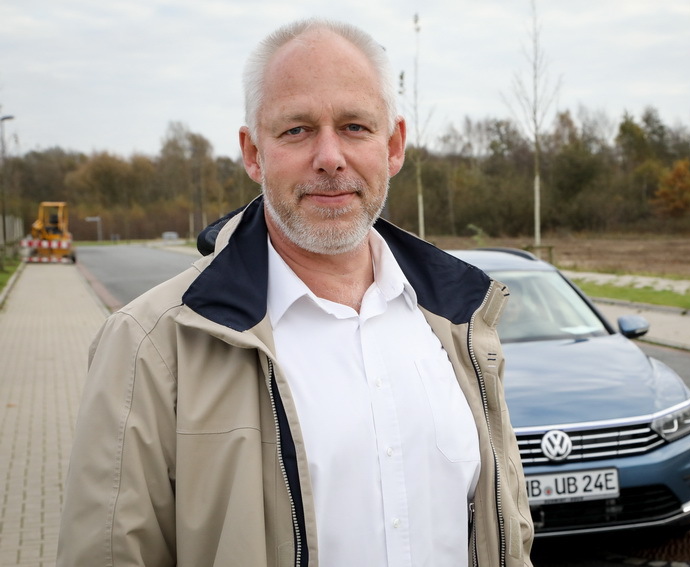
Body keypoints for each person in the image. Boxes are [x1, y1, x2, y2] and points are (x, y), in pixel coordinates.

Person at [57, 17, 534, 567]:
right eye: (297, 130)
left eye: (355, 126)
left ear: (394, 145)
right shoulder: (150, 348)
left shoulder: (462, 327)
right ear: (253, 153)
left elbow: (509, 533)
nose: (330, 157)